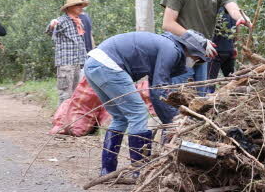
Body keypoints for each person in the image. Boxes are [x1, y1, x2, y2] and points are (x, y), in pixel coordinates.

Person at [83, 30, 210, 176]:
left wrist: (168, 119)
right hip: (109, 66)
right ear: (191, 49)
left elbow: (156, 88)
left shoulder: (165, 44)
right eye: (196, 57)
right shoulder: (171, 50)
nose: (195, 61)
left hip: (93, 63)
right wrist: (173, 120)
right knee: (137, 113)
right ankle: (139, 171)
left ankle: (107, 170)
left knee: (120, 117)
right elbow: (158, 88)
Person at [160, 0, 252, 94]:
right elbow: (168, 24)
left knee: (201, 98)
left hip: (202, 53)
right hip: (179, 52)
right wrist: (195, 39)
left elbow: (232, 7)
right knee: (178, 96)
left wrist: (241, 17)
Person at [46, 0, 88, 105]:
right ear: (70, 8)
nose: (80, 8)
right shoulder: (62, 20)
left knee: (75, 93)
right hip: (66, 63)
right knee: (65, 93)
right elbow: (51, 31)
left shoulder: (77, 21)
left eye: (81, 5)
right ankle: (62, 120)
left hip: (77, 62)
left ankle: (70, 119)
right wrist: (52, 24)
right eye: (77, 5)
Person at [207, 8, 237, 93]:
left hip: (215, 51)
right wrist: (234, 45)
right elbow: (237, 29)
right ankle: (234, 97)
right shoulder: (232, 11)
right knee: (232, 80)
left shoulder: (214, 10)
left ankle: (209, 101)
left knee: (210, 82)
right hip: (229, 50)